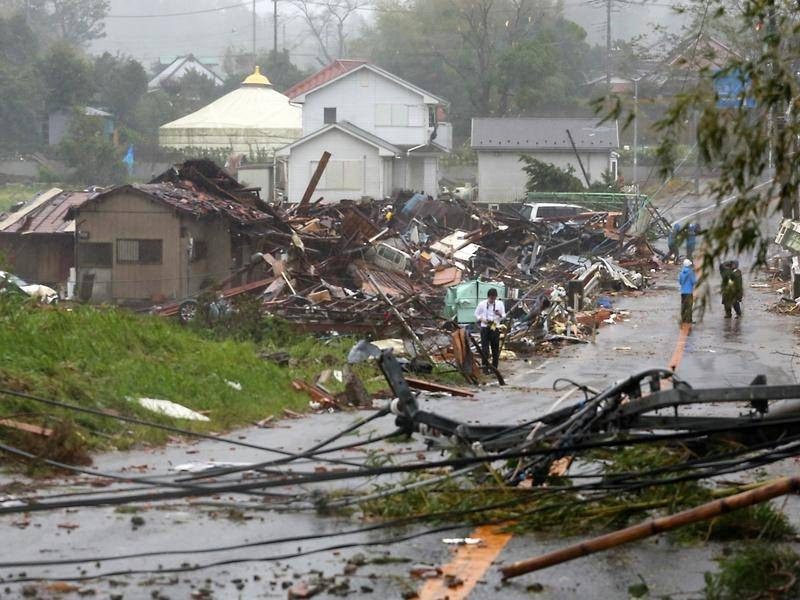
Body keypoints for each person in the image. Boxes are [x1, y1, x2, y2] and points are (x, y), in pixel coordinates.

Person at [474, 288, 505, 369]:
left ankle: (494, 367)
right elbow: (476, 314)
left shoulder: (500, 304)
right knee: (485, 349)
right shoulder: (482, 304)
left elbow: (504, 316)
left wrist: (499, 314)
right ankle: (485, 367)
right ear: (488, 297)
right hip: (485, 327)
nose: (492, 300)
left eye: (494, 298)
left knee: (495, 348)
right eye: (491, 298)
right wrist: (481, 319)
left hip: (495, 326)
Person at [679, 259, 696, 324]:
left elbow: (680, 282)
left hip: (683, 292)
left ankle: (683, 319)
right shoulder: (691, 273)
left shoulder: (681, 272)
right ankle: (689, 320)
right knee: (689, 306)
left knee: (683, 306)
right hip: (689, 292)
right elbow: (694, 281)